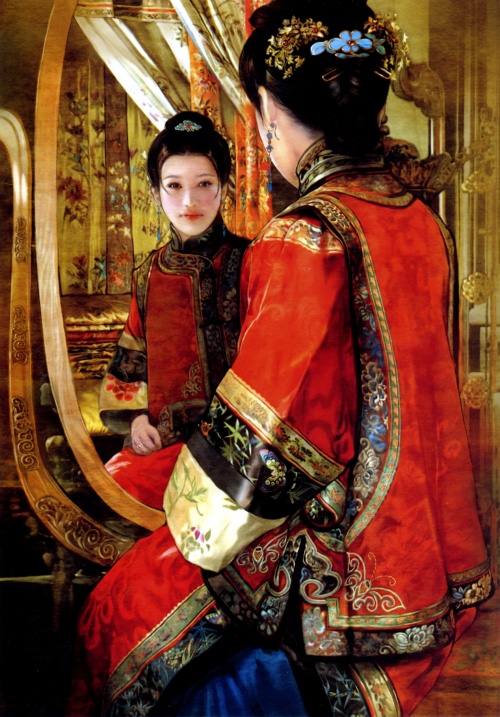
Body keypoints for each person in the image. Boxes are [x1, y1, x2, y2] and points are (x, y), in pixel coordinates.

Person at [67, 2, 494, 716]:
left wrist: (194, 523)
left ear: (268, 112)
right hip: (434, 557)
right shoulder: (421, 219)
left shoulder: (305, 236)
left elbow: (270, 441)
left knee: (117, 612)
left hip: (346, 566)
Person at [99, 111, 248, 509]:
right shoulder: (149, 276)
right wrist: (137, 422)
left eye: (204, 184)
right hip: (164, 445)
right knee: (114, 487)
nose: (189, 202)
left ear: (224, 188)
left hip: (243, 450)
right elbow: (129, 364)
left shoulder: (253, 261)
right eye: (174, 186)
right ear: (155, 193)